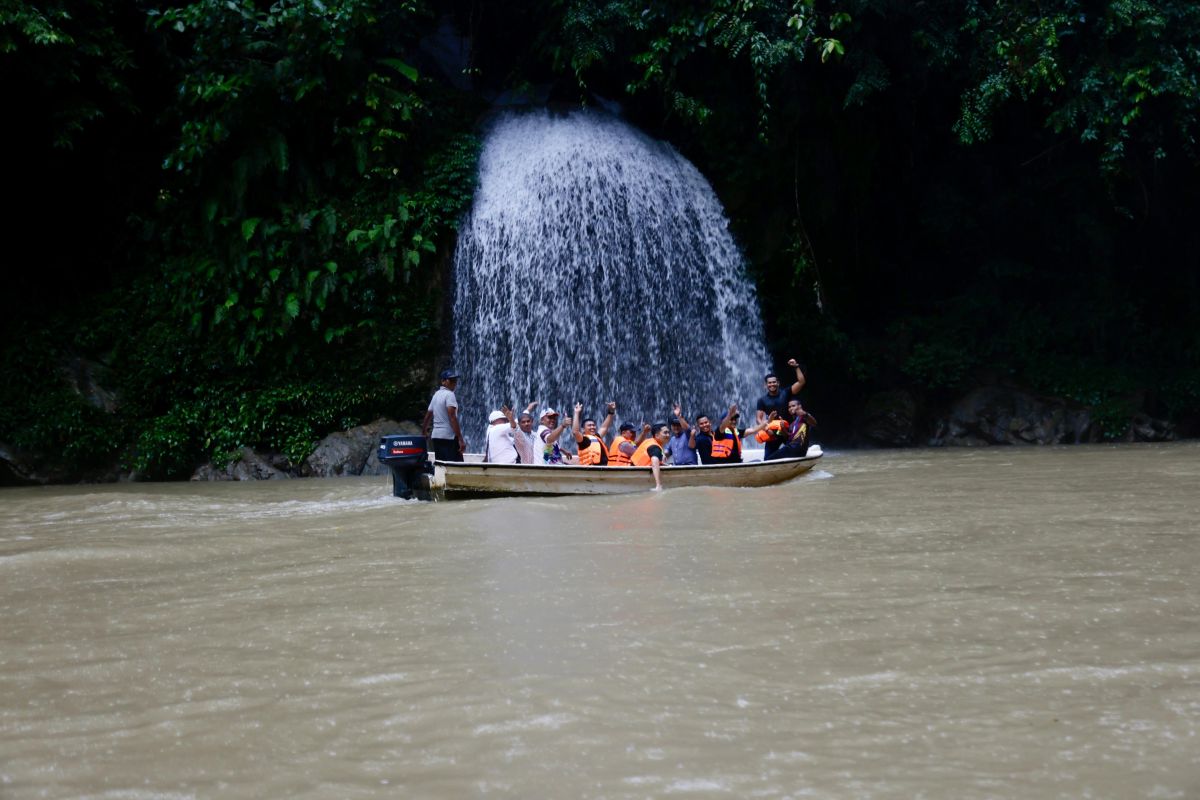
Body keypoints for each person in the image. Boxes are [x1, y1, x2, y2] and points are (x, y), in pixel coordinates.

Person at [756, 358, 806, 458]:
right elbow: (759, 419)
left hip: (788, 430)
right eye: (769, 383)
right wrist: (766, 428)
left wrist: (796, 367)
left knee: (796, 455)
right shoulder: (762, 400)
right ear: (765, 385)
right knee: (767, 459)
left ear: (778, 383)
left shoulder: (786, 393)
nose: (772, 384)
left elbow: (801, 382)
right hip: (773, 432)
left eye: (774, 382)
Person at [421, 368, 465, 462]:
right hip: (448, 437)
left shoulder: (436, 395)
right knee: (456, 466)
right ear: (443, 381)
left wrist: (424, 431)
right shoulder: (450, 395)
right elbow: (452, 417)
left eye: (455, 380)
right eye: (451, 380)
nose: (454, 383)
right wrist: (460, 439)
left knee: (441, 465)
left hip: (436, 436)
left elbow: (428, 415)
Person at [630, 422, 672, 490]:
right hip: (637, 473)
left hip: (633, 469)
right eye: (665, 433)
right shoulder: (654, 447)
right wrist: (658, 485)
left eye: (668, 432)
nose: (668, 435)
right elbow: (654, 462)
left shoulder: (649, 441)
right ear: (657, 435)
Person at [572, 401, 615, 465]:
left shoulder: (597, 437)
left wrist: (611, 411)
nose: (592, 427)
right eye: (589, 425)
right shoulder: (583, 440)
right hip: (592, 469)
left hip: (604, 467)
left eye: (593, 425)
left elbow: (604, 427)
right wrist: (576, 413)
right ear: (583, 429)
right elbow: (575, 432)